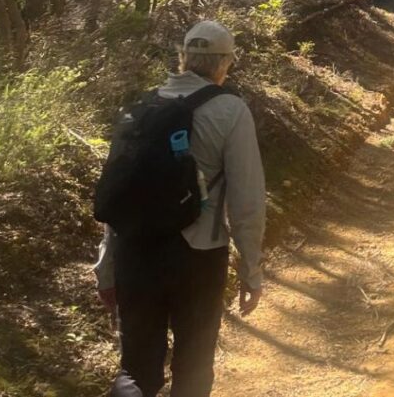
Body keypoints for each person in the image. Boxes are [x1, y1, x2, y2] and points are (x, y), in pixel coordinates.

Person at [94, 20, 266, 397]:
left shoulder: (141, 107)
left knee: (136, 372)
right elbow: (247, 200)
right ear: (225, 64)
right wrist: (251, 270)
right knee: (193, 366)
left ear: (183, 57)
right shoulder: (231, 110)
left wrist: (106, 268)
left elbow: (119, 195)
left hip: (135, 253)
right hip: (198, 259)